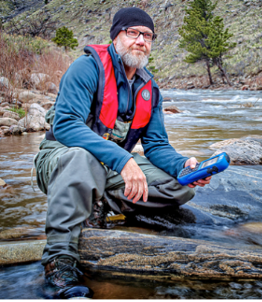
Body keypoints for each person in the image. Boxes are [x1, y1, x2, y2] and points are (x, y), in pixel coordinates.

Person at [34, 7, 211, 300]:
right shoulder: (86, 68)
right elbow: (65, 125)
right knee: (82, 158)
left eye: (148, 35)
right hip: (62, 158)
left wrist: (183, 166)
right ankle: (59, 264)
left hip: (109, 167)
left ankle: (99, 200)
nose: (141, 40)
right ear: (117, 36)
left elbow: (156, 145)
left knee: (178, 188)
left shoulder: (150, 88)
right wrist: (123, 159)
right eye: (133, 33)